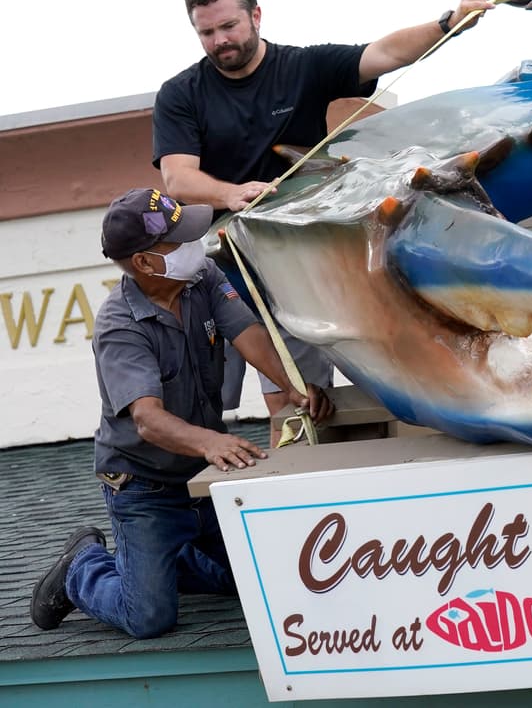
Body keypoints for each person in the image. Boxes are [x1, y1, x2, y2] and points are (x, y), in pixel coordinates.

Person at [152, 0, 493, 437]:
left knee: (347, 385)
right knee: (290, 404)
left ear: (255, 15)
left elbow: (384, 53)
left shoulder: (302, 66)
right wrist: (232, 193)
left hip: (316, 253)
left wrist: (448, 22)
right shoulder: (180, 94)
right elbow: (177, 178)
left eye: (228, 27)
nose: (219, 41)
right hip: (239, 267)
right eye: (206, 33)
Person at [29, 188, 334, 637]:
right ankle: (83, 567)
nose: (196, 245)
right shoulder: (120, 327)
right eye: (181, 240)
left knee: (252, 579)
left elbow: (246, 331)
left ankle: (157, 563)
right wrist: (212, 441)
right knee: (148, 618)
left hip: (201, 478)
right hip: (144, 488)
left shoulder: (202, 276)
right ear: (146, 263)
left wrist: (291, 386)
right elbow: (148, 420)